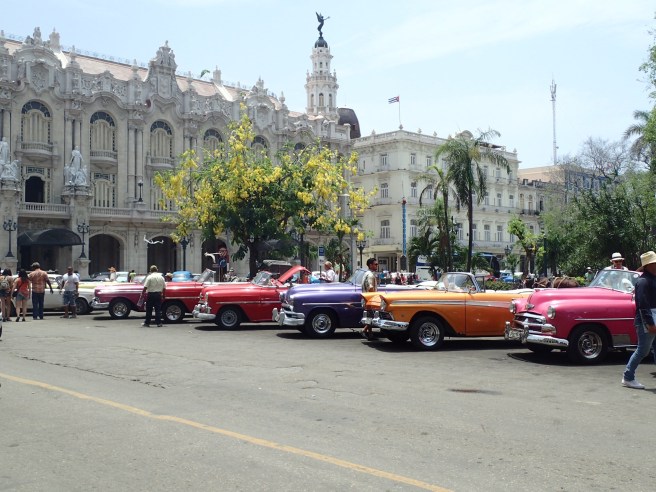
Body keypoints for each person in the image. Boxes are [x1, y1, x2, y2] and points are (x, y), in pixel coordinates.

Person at [621, 251, 656, 389]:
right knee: (643, 350)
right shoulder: (643, 282)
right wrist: (650, 324)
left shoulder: (651, 280)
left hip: (651, 319)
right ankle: (628, 377)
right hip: (646, 321)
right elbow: (643, 305)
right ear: (648, 265)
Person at [361, 257, 378, 340]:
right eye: (375, 264)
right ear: (370, 265)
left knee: (369, 317)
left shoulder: (366, 273)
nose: (377, 266)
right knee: (372, 317)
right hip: (369, 299)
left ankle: (370, 334)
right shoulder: (370, 275)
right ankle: (364, 331)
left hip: (366, 298)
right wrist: (374, 298)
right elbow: (370, 288)